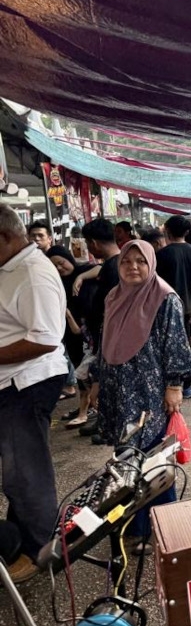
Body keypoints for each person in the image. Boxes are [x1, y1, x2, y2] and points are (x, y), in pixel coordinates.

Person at [92, 240, 191, 547]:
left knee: (153, 461)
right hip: (118, 389)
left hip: (148, 391)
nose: (133, 267)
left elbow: (176, 344)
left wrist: (175, 385)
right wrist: (97, 379)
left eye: (140, 261)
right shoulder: (114, 296)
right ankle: (135, 528)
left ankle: (165, 528)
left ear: (151, 264)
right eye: (126, 261)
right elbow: (105, 339)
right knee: (125, 460)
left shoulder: (164, 298)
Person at [0, 204, 69, 582]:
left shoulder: (31, 272)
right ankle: (21, 539)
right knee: (18, 469)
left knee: (26, 472)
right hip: (12, 380)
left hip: (27, 382)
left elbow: (43, 339)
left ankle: (39, 549)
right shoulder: (11, 266)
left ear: (6, 237)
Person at [75, 219, 121, 442]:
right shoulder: (112, 264)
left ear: (93, 242)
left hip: (110, 338)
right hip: (105, 336)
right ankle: (105, 421)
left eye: (87, 242)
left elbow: (112, 311)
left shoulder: (114, 267)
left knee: (107, 384)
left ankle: (109, 425)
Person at [157, 217, 191, 398]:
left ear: (167, 230)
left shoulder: (162, 254)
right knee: (185, 344)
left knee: (165, 346)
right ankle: (187, 385)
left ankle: (169, 384)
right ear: (186, 232)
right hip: (185, 308)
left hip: (164, 308)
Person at [45, 245, 87, 403]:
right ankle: (84, 403)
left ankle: (88, 407)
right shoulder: (56, 281)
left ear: (69, 258)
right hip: (68, 331)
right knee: (77, 366)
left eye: (61, 262)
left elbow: (99, 269)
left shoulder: (83, 271)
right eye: (54, 265)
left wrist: (81, 277)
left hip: (85, 331)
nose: (59, 267)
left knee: (88, 368)